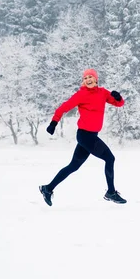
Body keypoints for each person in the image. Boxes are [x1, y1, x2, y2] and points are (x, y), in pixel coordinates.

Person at [39, 68, 126, 206]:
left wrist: (118, 97)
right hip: (85, 136)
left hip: (90, 136)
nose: (88, 79)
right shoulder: (81, 95)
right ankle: (111, 192)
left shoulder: (103, 93)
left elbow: (119, 104)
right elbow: (63, 107)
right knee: (110, 158)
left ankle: (48, 188)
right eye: (85, 78)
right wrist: (53, 123)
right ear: (83, 82)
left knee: (73, 166)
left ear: (96, 79)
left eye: (90, 77)